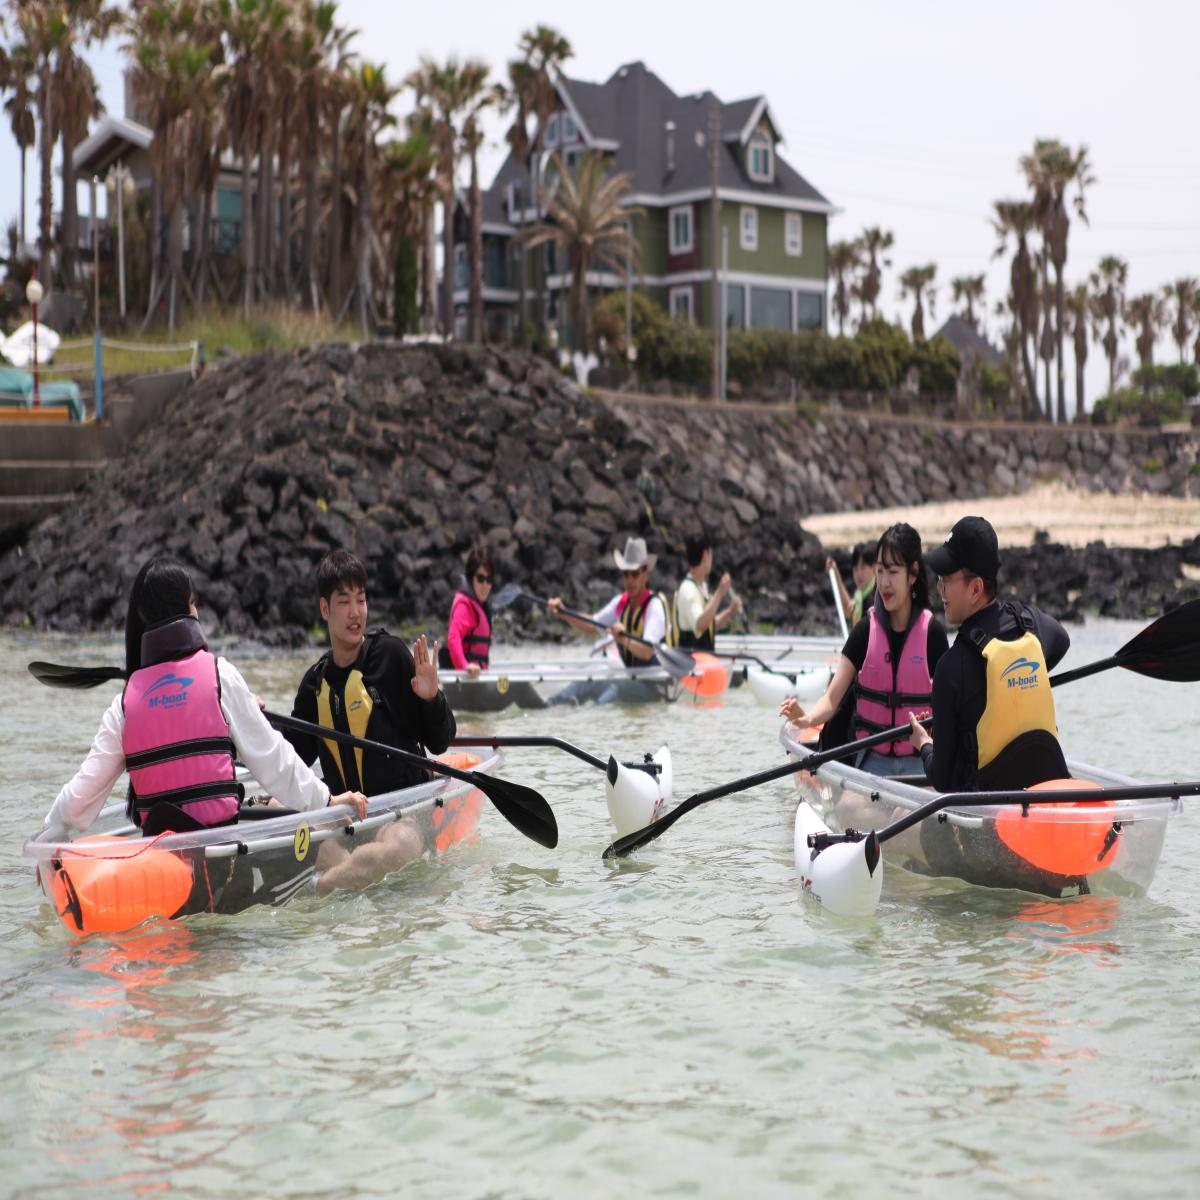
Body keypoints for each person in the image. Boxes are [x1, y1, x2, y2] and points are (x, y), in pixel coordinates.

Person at [40, 558, 366, 844]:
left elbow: (80, 796)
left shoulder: (123, 706)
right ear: (189, 607)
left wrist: (52, 832)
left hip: (160, 859)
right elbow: (274, 760)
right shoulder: (220, 676)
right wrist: (326, 802)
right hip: (221, 852)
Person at [285, 549, 457, 891]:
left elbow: (440, 741)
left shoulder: (390, 656)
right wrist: (246, 720)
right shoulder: (314, 684)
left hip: (403, 814)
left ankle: (317, 891)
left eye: (361, 600)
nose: (355, 613)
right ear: (324, 609)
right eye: (344, 601)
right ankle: (343, 882)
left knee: (395, 849)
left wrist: (430, 698)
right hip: (345, 822)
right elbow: (289, 761)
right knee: (310, 846)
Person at [907, 516, 1071, 792]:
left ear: (975, 589)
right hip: (1044, 796)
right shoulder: (1029, 623)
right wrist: (1020, 683)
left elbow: (943, 781)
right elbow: (1062, 640)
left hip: (987, 820)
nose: (939, 587)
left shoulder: (950, 668)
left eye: (946, 578)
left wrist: (924, 744)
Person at [780, 524, 948, 777]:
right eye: (879, 571)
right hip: (871, 765)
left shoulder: (932, 634)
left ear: (913, 574)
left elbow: (949, 709)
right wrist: (806, 719)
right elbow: (831, 698)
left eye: (892, 572)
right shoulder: (865, 630)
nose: (884, 582)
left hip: (919, 767)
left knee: (907, 812)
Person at [546, 536, 674, 704]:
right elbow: (593, 625)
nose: (629, 580)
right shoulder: (621, 603)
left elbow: (647, 651)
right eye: (626, 574)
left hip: (654, 688)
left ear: (645, 575)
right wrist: (564, 613)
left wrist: (624, 639)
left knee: (617, 687)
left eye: (635, 574)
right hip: (631, 680)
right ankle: (549, 704)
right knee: (588, 680)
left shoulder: (654, 607)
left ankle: (593, 715)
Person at [674, 533, 743, 650]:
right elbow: (700, 624)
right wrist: (719, 593)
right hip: (692, 664)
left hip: (703, 662)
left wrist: (730, 611)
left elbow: (709, 626)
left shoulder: (701, 587)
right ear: (706, 555)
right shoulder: (688, 589)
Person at [441, 543, 495, 676]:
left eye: (489, 579)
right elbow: (454, 638)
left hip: (477, 678)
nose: (485, 585)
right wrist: (465, 666)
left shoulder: (479, 606)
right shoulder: (464, 606)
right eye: (481, 578)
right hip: (466, 679)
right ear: (471, 579)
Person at [827, 541, 878, 627]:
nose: (859, 574)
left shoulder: (876, 596)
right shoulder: (861, 597)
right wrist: (835, 574)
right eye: (855, 568)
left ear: (874, 568)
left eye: (863, 567)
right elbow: (848, 609)